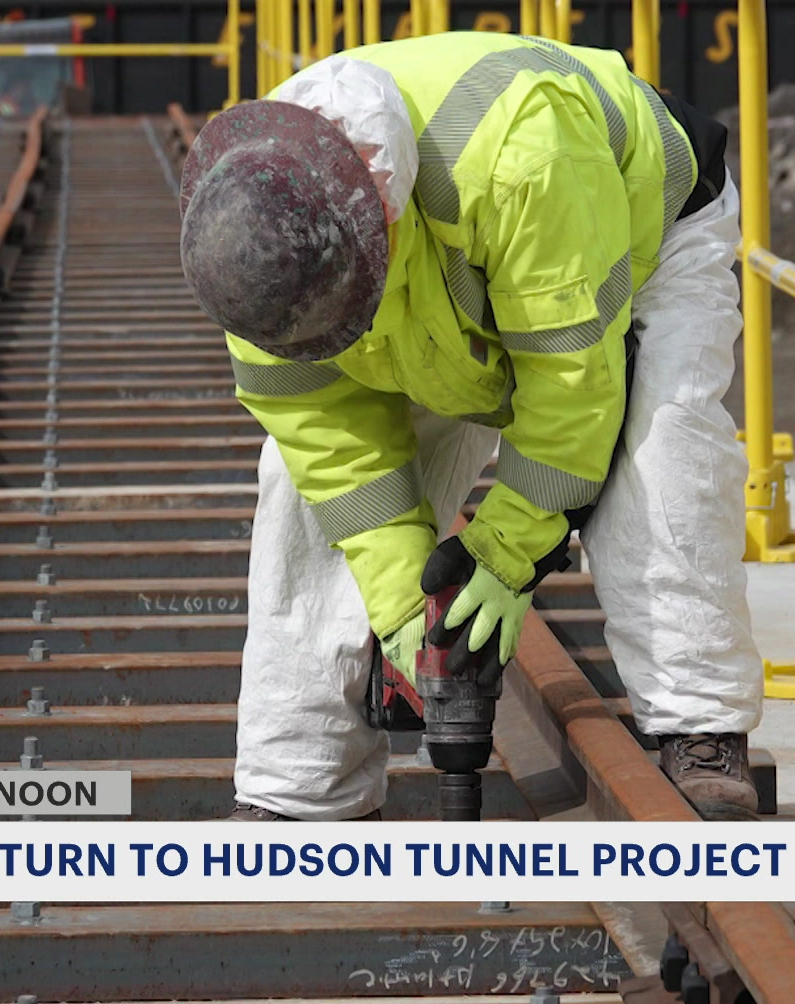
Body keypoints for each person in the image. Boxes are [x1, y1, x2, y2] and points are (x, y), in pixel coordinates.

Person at [177, 31, 762, 821]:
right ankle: (299, 786)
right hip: (440, 287)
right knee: (295, 487)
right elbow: (333, 449)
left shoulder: (524, 157)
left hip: (630, 239)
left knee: (662, 450)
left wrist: (508, 555)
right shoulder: (251, 235)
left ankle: (700, 725)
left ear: (382, 220)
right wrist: (403, 613)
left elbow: (571, 389)